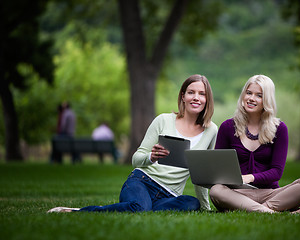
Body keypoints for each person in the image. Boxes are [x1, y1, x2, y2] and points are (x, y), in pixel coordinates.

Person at [47, 74, 218, 213]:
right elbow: (136, 158)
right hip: (142, 181)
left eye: (202, 94)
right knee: (139, 207)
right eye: (191, 92)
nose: (196, 98)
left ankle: (141, 208)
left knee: (191, 204)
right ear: (183, 96)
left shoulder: (211, 130)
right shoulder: (163, 120)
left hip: (170, 195)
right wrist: (151, 157)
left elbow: (201, 175)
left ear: (207, 99)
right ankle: (78, 211)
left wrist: (205, 207)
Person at [209, 74, 300, 214]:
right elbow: (219, 168)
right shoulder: (227, 127)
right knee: (216, 190)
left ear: (267, 100)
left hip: (271, 193)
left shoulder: (279, 128)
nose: (251, 98)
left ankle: (255, 209)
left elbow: (276, 172)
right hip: (236, 194)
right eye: (248, 93)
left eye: (259, 95)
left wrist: (249, 177)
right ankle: (275, 213)